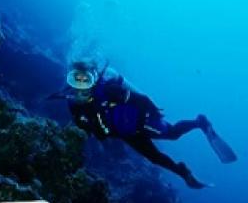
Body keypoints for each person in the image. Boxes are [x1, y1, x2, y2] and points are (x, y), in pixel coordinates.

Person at [55, 61, 237, 188]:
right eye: (75, 80)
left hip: (141, 120)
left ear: (92, 78)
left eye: (85, 79)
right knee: (155, 158)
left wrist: (153, 112)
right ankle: (183, 172)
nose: (81, 86)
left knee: (172, 134)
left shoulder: (109, 89)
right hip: (126, 134)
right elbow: (89, 130)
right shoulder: (74, 104)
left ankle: (200, 122)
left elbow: (141, 99)